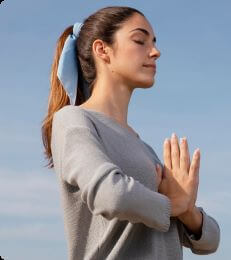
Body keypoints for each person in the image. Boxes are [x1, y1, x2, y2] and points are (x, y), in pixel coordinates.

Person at [41, 5, 220, 260]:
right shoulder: (73, 120)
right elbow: (111, 194)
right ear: (103, 50)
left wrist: (187, 210)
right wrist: (171, 206)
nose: (155, 52)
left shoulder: (144, 149)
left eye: (154, 43)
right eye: (140, 40)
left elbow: (210, 240)